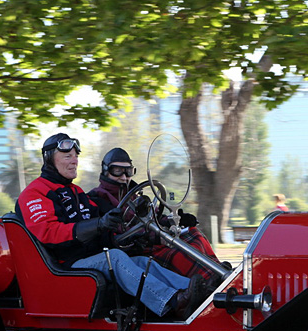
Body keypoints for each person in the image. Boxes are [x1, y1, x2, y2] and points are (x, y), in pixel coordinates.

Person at [17, 133, 204, 319]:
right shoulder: (35, 193)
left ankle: (199, 292)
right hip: (65, 264)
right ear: (49, 159)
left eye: (76, 156)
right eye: (68, 156)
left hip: (89, 256)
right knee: (113, 258)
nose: (74, 161)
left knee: (140, 261)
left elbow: (103, 231)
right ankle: (173, 301)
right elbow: (49, 233)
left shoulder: (77, 192)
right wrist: (99, 224)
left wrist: (120, 236)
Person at [88, 147, 225, 286]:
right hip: (134, 250)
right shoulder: (96, 199)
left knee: (193, 234)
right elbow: (115, 234)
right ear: (106, 171)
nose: (124, 177)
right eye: (117, 171)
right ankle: (208, 284)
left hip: (152, 240)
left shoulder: (135, 196)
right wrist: (152, 236)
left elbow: (153, 218)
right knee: (177, 253)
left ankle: (218, 271)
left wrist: (175, 220)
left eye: (128, 171)